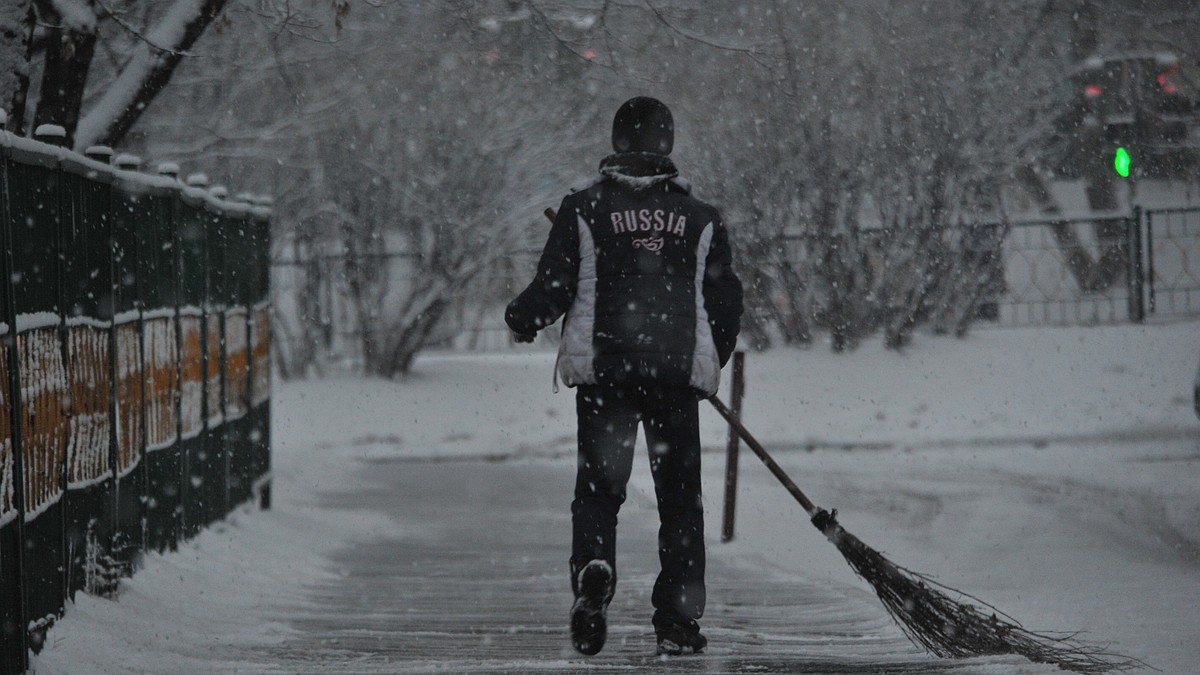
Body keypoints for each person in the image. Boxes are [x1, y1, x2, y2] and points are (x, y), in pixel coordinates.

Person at [505, 96, 743, 657]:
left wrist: (522, 319)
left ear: (617, 143)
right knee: (680, 501)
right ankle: (678, 623)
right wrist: (709, 366)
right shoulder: (702, 218)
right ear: (667, 144)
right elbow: (725, 304)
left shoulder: (583, 209)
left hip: (606, 375)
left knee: (599, 491)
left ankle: (595, 565)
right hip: (674, 378)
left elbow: (554, 287)